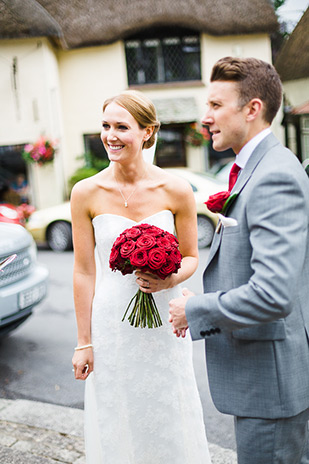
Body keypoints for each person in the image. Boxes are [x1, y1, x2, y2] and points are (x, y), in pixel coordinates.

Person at [169, 57, 309, 464]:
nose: (204, 117)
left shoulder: (273, 176)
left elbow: (272, 294)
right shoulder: (258, 167)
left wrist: (194, 309)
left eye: (215, 105)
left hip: (271, 382)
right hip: (266, 376)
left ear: (252, 109)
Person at [71, 90, 211, 463]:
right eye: (105, 126)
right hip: (111, 323)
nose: (110, 136)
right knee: (118, 413)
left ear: (148, 132)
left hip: (165, 321)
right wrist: (84, 341)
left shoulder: (176, 189)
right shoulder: (85, 193)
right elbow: (84, 271)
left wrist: (169, 279)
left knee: (168, 407)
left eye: (121, 126)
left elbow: (192, 257)